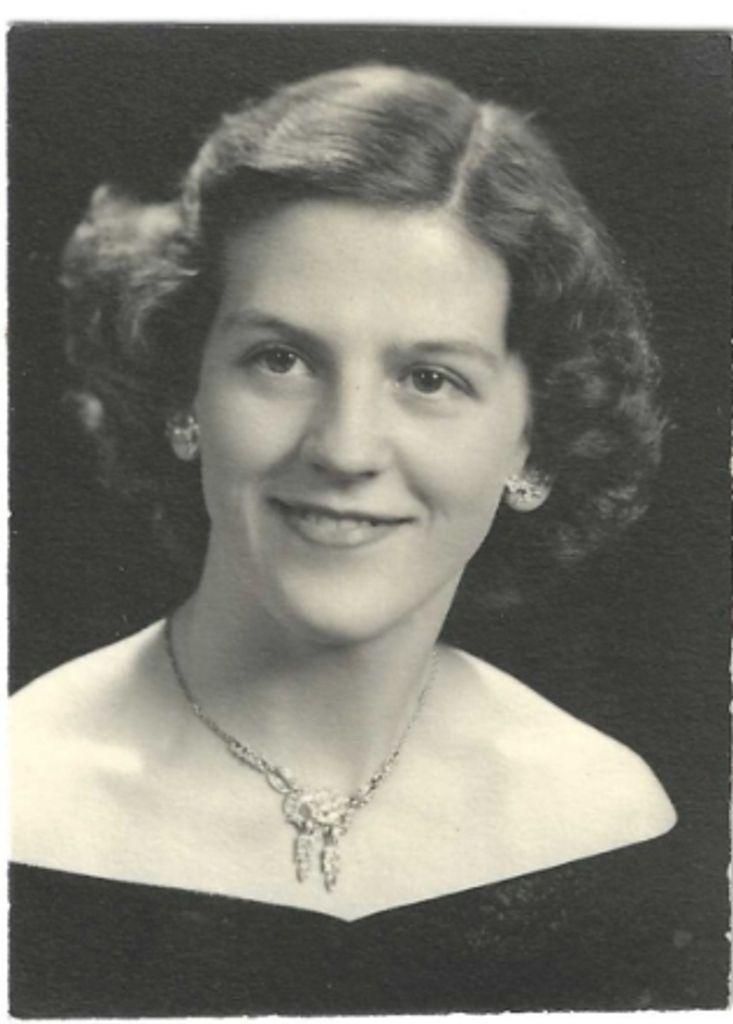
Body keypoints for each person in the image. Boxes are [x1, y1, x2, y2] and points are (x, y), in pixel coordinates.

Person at [11, 63, 684, 1014]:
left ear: (532, 444)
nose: (345, 448)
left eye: (429, 379)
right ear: (183, 393)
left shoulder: (603, 810)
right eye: (280, 359)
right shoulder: (24, 791)